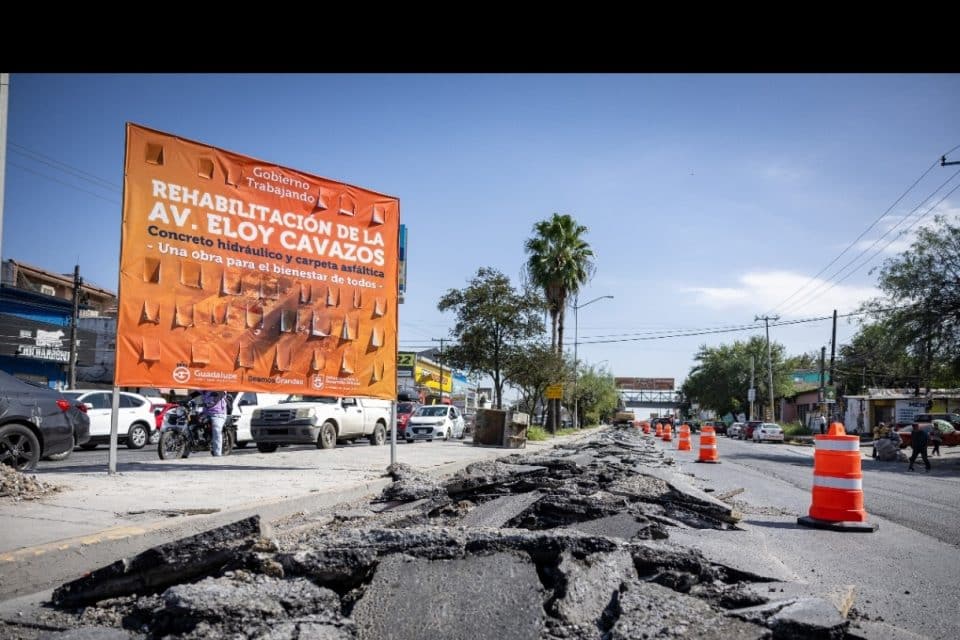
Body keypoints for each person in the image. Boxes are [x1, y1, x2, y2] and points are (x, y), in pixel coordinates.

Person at [191, 390, 228, 456]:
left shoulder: (220, 387)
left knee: (216, 430)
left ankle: (217, 454)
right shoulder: (204, 388)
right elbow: (194, 394)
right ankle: (186, 451)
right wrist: (183, 401)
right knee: (192, 422)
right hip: (205, 412)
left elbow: (218, 396)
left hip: (218, 413)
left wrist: (210, 403)